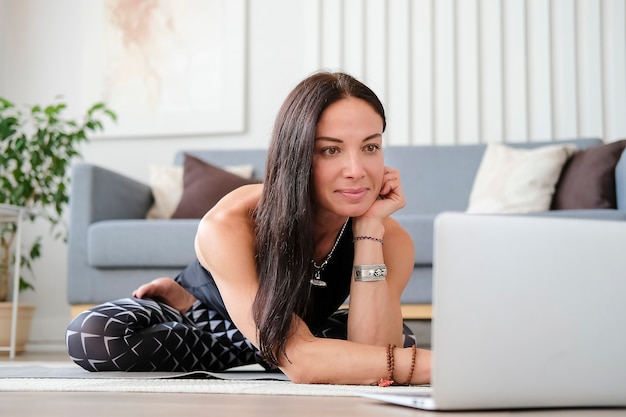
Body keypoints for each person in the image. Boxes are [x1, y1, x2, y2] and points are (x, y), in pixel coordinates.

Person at [66, 71, 431, 385]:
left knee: (394, 336)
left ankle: (286, 349)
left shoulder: (390, 237)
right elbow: (351, 361)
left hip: (295, 331)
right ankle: (259, 340)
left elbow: (373, 355)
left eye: (370, 147)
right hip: (204, 322)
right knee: (94, 334)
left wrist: (368, 230)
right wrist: (437, 366)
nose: (356, 169)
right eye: (330, 151)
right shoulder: (231, 221)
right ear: (297, 154)